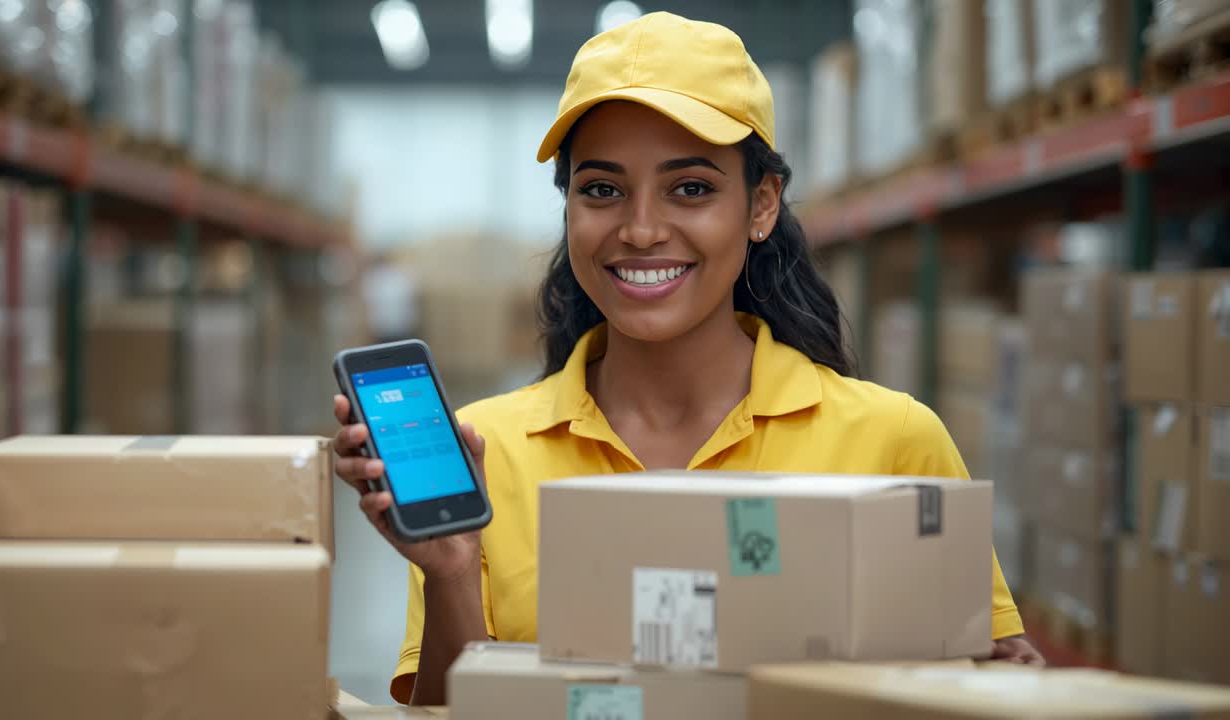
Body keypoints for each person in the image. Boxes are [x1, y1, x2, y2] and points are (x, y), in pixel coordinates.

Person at [333, 11, 1045, 706]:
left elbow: (974, 683)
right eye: (602, 190)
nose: (642, 230)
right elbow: (453, 708)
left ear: (761, 205)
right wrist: (454, 572)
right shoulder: (489, 453)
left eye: (692, 188)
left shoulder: (893, 443)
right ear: (569, 208)